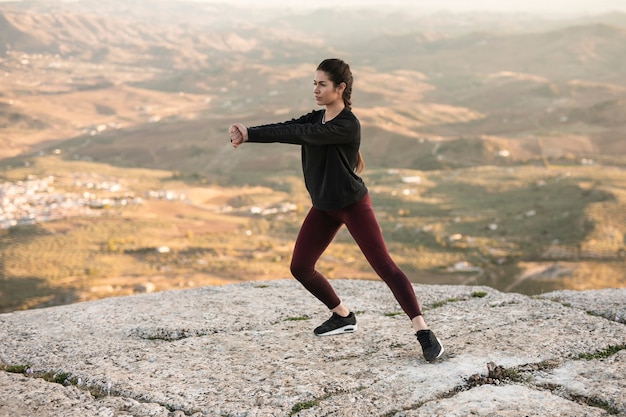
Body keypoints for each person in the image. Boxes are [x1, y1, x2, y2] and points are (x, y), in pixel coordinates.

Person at [229, 58, 444, 362]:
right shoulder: (317, 118)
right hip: (324, 207)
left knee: (385, 267)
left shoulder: (347, 124)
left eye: (322, 84)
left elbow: (302, 135)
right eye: (314, 83)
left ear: (340, 88)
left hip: (353, 206)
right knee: (300, 267)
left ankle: (423, 331)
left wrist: (250, 134)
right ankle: (342, 315)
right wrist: (248, 131)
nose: (315, 89)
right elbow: (289, 127)